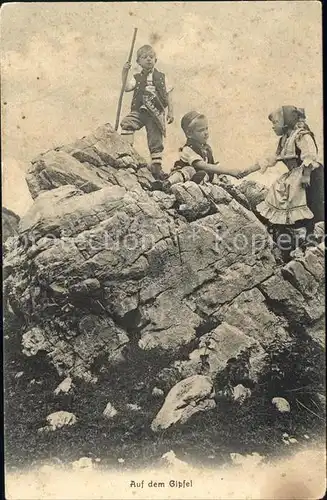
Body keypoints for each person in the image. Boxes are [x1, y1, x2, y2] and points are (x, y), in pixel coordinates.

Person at [254, 106, 324, 260]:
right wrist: (247, 170)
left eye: (275, 122)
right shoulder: (284, 140)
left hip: (310, 175)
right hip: (294, 176)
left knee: (309, 207)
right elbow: (272, 158)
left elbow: (310, 155)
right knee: (280, 194)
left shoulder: (301, 135)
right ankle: (291, 237)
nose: (273, 126)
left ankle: (310, 241)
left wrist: (306, 175)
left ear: (287, 122)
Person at [153, 111, 245, 191]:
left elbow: (212, 166)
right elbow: (204, 166)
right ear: (189, 134)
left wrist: (222, 177)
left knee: (207, 174)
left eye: (206, 128)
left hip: (200, 178)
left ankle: (220, 185)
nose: (206, 132)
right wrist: (230, 171)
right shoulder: (188, 149)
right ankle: (167, 183)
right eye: (201, 130)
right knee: (189, 170)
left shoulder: (207, 149)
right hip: (183, 178)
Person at [120, 45, 174, 180]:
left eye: (151, 57)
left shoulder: (162, 77)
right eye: (144, 57)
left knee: (156, 139)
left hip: (155, 112)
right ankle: (127, 156)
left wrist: (171, 112)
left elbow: (169, 95)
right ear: (138, 62)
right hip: (140, 110)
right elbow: (126, 88)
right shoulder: (136, 77)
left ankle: (156, 167)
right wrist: (124, 73)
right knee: (127, 123)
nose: (148, 59)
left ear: (156, 60)